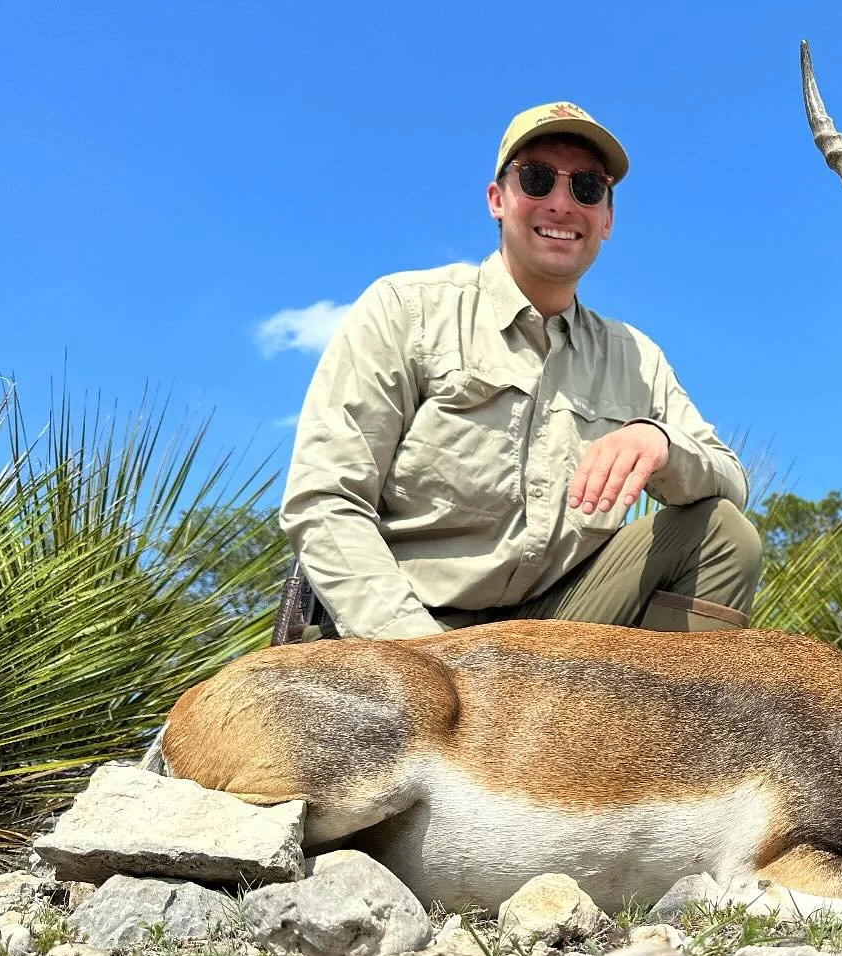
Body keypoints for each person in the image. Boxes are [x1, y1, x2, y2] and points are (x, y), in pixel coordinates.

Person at [279, 102, 761, 640]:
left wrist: (661, 443)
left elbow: (731, 480)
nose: (561, 203)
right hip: (410, 621)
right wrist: (418, 652)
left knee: (723, 534)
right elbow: (325, 499)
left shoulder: (637, 357)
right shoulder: (404, 309)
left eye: (586, 187)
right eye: (535, 179)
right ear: (496, 200)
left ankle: (658, 721)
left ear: (606, 219)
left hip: (560, 625)